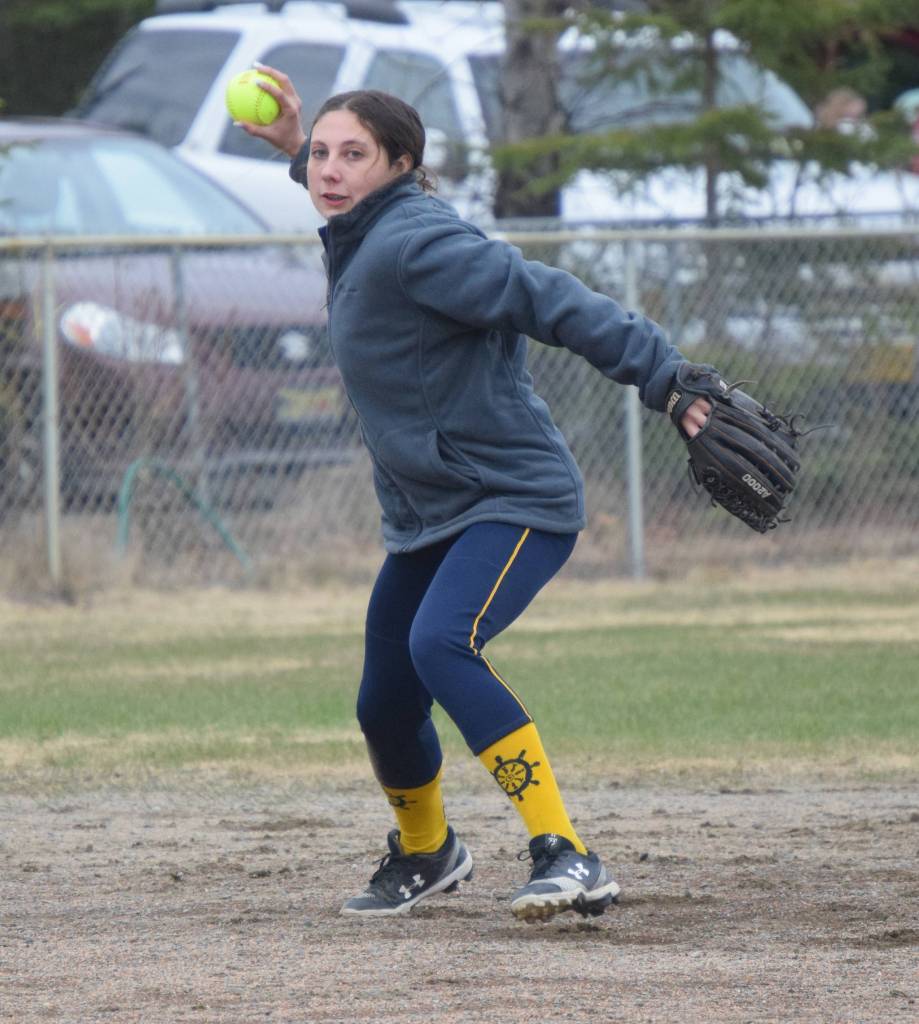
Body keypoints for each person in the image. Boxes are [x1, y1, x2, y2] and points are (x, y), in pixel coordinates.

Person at [238, 66, 710, 922]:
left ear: (402, 166)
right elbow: (344, 204)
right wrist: (292, 148)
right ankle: (426, 854)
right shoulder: (367, 230)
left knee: (440, 644)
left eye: (355, 155)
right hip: (429, 513)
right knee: (383, 698)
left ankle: (564, 853)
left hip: (512, 497)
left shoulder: (419, 242)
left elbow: (546, 297)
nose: (329, 169)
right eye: (322, 155)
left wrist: (665, 378)